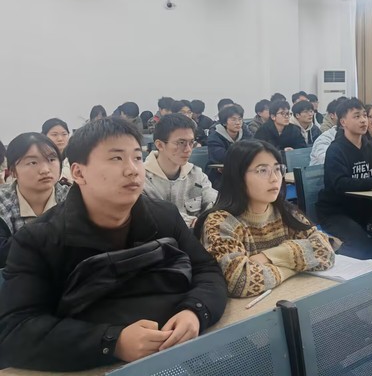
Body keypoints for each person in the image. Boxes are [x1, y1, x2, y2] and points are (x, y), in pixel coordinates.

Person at [0, 117, 227, 371]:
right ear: (78, 173)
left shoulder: (164, 216)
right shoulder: (39, 239)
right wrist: (112, 342)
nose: (132, 170)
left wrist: (195, 311)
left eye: (137, 158)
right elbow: (16, 331)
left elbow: (207, 270)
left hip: (180, 354)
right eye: (116, 158)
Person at [196, 140, 335, 298]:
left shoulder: (284, 211)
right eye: (262, 170)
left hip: (292, 296)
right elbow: (240, 281)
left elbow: (326, 251)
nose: (275, 178)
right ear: (238, 176)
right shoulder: (220, 222)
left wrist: (267, 257)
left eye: (277, 169)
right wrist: (297, 264)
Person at [316, 98, 372, 260]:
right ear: (343, 122)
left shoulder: (370, 145)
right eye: (357, 116)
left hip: (364, 208)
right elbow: (340, 184)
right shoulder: (335, 149)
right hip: (336, 211)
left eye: (364, 115)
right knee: (360, 242)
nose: (363, 120)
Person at [0, 133, 70, 266]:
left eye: (51, 160)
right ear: (13, 170)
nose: (45, 170)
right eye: (32, 162)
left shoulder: (72, 198)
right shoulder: (2, 203)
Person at [143, 114, 218, 228]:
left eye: (191, 142)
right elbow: (153, 216)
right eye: (181, 143)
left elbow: (214, 202)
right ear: (160, 145)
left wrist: (213, 218)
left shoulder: (196, 174)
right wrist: (194, 222)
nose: (188, 149)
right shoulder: (141, 179)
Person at [207, 104, 252, 189]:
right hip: (220, 174)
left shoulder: (246, 134)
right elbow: (222, 157)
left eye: (240, 119)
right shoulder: (215, 137)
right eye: (233, 119)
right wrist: (243, 155)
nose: (238, 123)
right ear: (224, 122)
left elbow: (254, 151)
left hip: (243, 171)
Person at [42, 118, 72, 182]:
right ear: (44, 136)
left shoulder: (74, 157)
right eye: (54, 135)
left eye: (64, 134)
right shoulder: (40, 159)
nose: (60, 139)